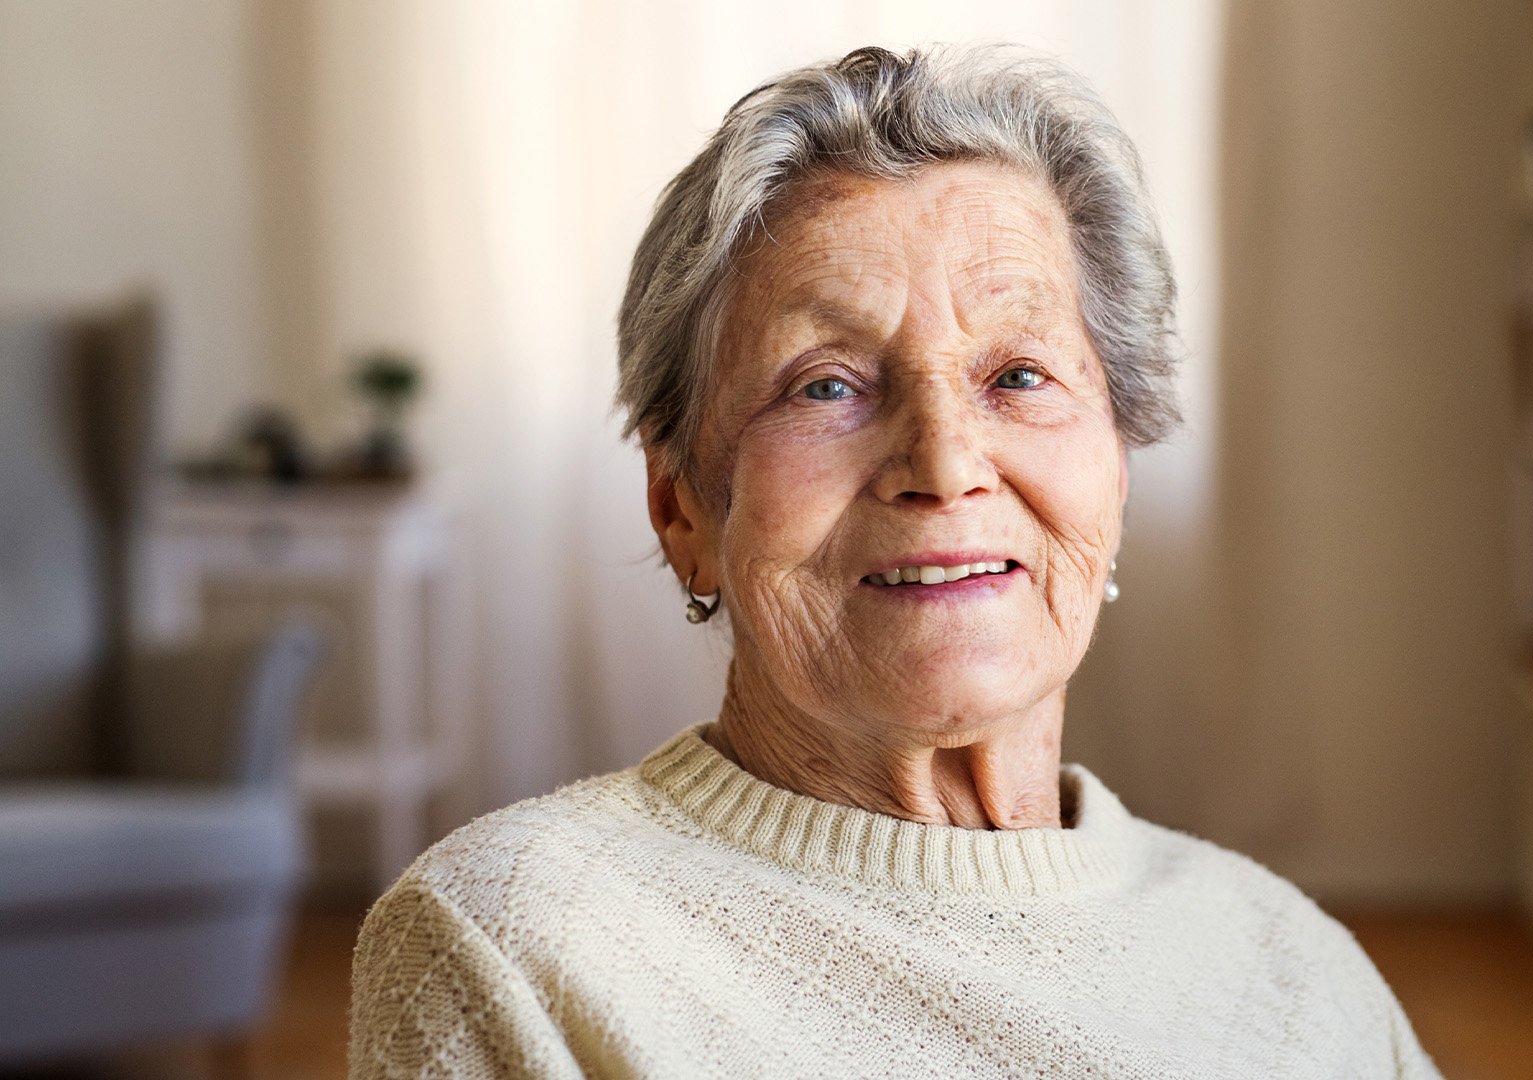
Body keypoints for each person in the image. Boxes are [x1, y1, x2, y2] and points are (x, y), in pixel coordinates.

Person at [348, 43, 1441, 1079]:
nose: (945, 464)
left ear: (1114, 474)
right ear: (680, 508)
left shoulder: (1288, 961)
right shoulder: (515, 942)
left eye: (1017, 375)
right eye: (824, 385)